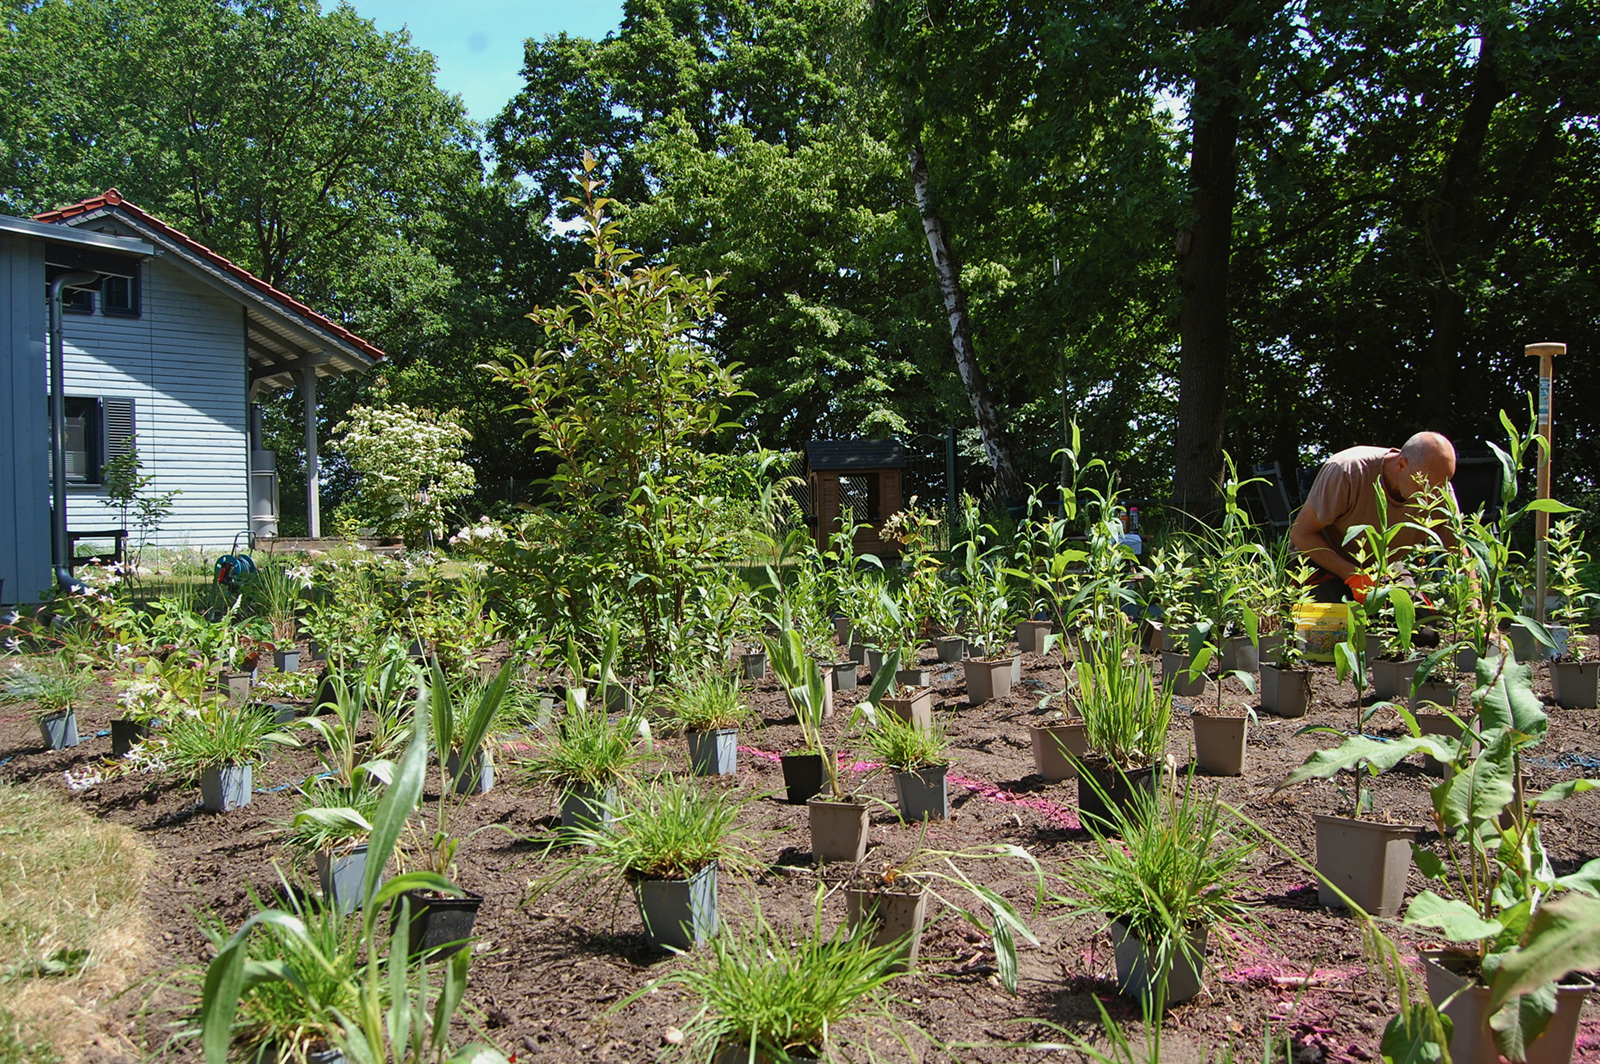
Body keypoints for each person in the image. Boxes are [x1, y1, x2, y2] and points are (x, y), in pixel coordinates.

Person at [1290, 432, 1457, 603]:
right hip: (1322, 565)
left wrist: (1475, 605)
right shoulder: (1348, 471)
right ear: (1401, 465)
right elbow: (1301, 534)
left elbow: (1460, 554)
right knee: (1335, 625)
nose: (1431, 496)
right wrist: (1352, 575)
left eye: (1442, 485)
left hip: (1381, 569)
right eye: (1424, 484)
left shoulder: (1440, 492)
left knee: (1423, 629)